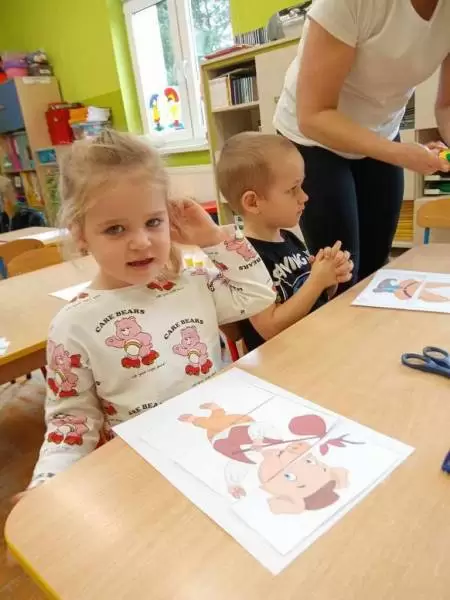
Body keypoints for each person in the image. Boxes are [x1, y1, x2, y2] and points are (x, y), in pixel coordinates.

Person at [17, 130, 276, 498]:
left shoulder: (193, 285)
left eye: (153, 222)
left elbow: (258, 295)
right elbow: (71, 421)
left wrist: (213, 237)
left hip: (219, 445)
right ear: (81, 235)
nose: (141, 241)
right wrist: (46, 488)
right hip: (143, 472)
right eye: (115, 229)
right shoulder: (72, 325)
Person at [274, 0, 450, 287]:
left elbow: (447, 105)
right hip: (314, 136)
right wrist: (400, 153)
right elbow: (314, 116)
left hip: (381, 131)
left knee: (375, 268)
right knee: (340, 273)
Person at [216, 132, 353, 351]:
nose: (304, 197)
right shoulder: (244, 257)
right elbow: (270, 328)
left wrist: (329, 277)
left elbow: (310, 299)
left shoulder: (289, 239)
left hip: (315, 345)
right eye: (292, 189)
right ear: (253, 202)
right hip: (280, 361)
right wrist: (316, 281)